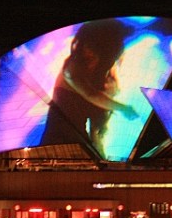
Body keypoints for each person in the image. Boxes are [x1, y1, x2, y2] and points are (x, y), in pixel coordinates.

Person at [41, 19, 138, 147]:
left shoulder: (104, 67)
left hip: (80, 132)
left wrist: (112, 94)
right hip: (59, 134)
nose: (88, 52)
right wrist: (123, 108)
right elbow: (91, 95)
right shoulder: (72, 68)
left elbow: (98, 111)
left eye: (94, 50)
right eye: (86, 46)